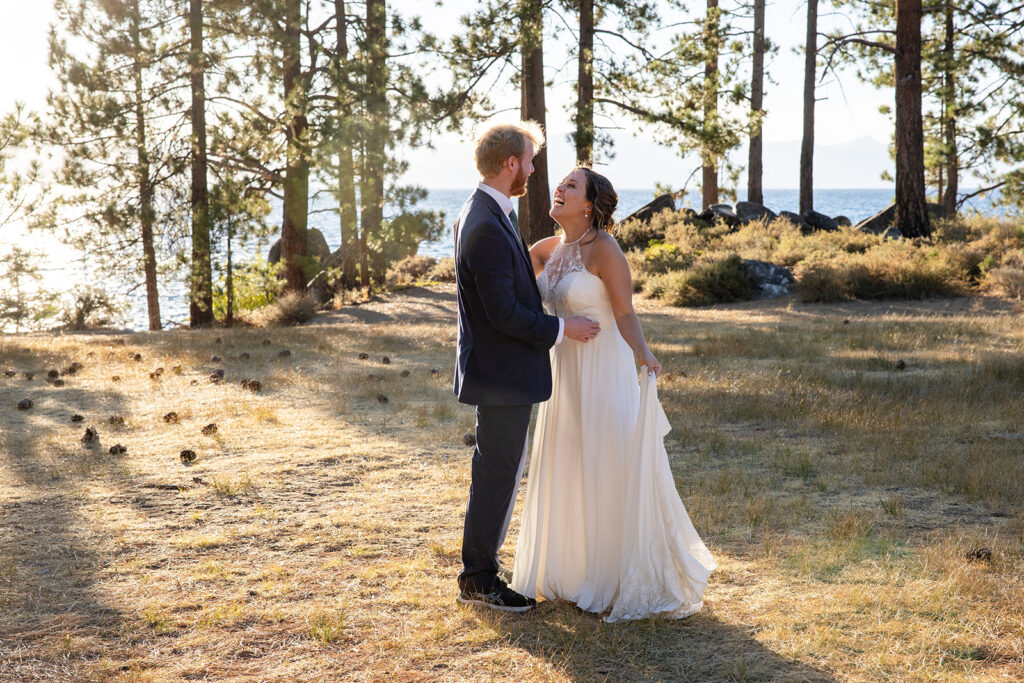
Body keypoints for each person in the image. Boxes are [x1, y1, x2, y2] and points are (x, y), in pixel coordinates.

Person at [509, 166, 717, 622]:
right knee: (569, 462)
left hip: (603, 369)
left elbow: (625, 314)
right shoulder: (545, 250)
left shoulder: (605, 249)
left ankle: (612, 576)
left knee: (605, 461)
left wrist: (645, 355)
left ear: (590, 204)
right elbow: (511, 293)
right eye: (560, 183)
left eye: (571, 186)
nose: (560, 189)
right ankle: (572, 569)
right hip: (564, 374)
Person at [452, 123, 601, 612]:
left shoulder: (488, 213)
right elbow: (503, 313)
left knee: (495, 471)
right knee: (497, 473)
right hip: (501, 374)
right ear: (511, 163)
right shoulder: (483, 222)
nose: (535, 170)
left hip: (501, 371)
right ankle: (479, 579)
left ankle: (478, 573)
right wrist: (563, 329)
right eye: (530, 161)